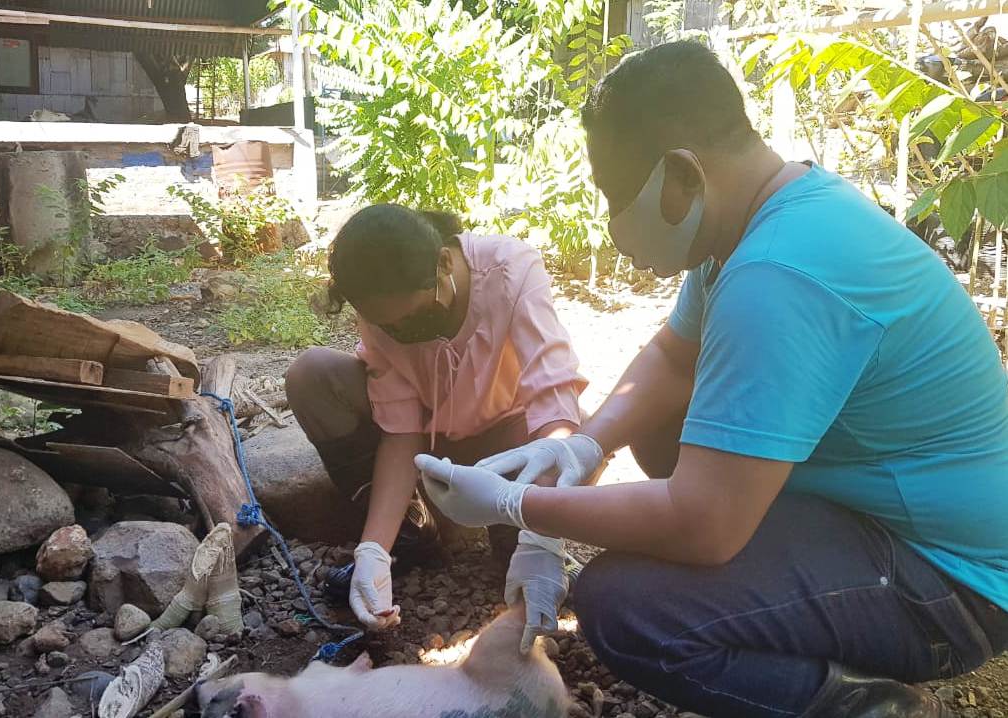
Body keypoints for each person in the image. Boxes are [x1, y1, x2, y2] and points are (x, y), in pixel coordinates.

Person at [415, 41, 1008, 718]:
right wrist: (580, 448)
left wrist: (521, 509)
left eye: (616, 196)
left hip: (955, 587)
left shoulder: (777, 275)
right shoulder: (760, 222)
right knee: (668, 431)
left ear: (682, 175)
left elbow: (704, 527)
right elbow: (671, 359)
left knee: (628, 609)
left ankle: (859, 705)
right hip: (885, 514)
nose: (613, 228)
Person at [284, 204, 586, 650]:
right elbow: (401, 426)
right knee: (310, 373)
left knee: (519, 554)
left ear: (445, 264)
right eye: (390, 325)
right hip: (430, 444)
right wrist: (374, 549)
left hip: (509, 443)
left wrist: (544, 529)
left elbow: (553, 397)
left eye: (412, 317)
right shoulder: (380, 304)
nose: (403, 331)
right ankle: (412, 533)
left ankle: (520, 530)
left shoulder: (510, 270)